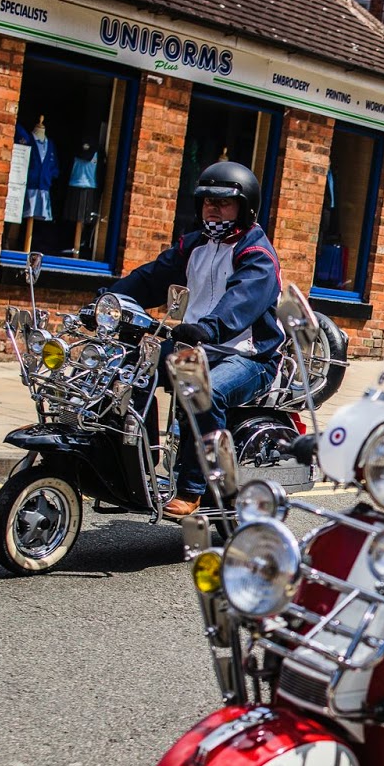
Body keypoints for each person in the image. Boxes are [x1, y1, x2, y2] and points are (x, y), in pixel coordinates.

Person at [107, 161, 284, 518]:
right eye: (207, 202)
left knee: (207, 391)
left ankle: (192, 489)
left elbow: (241, 303)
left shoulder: (257, 256)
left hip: (249, 356)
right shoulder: (194, 245)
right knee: (131, 367)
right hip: (196, 345)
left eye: (222, 203)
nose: (213, 209)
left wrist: (208, 328)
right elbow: (151, 278)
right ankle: (138, 459)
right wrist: (110, 299)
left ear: (245, 207)